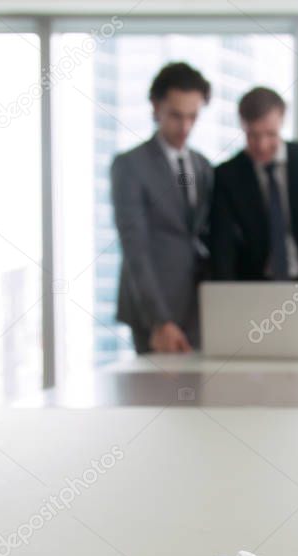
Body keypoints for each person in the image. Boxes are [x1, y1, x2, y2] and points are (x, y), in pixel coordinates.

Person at [110, 62, 214, 353]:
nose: (185, 127)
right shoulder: (130, 166)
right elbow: (135, 248)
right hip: (153, 311)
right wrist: (160, 321)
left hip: (198, 310)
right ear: (155, 108)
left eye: (193, 116)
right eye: (176, 116)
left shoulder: (202, 165)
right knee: (157, 396)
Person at [209, 87, 298, 286]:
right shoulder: (227, 175)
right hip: (254, 285)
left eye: (270, 134)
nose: (261, 145)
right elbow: (222, 244)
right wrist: (227, 296)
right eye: (252, 135)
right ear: (242, 125)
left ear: (282, 120)